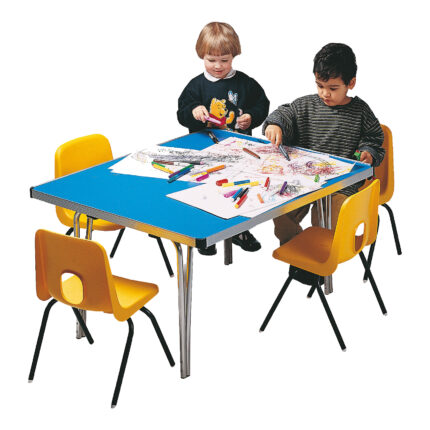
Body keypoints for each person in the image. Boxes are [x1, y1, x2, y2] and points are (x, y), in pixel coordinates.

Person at [263, 42, 385, 284]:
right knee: (279, 210)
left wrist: (369, 153)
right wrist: (275, 124)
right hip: (303, 182)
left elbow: (374, 140)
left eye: (333, 88)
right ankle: (300, 256)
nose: (325, 94)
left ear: (351, 83)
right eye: (319, 86)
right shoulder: (306, 105)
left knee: (326, 219)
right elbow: (284, 113)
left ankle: (319, 263)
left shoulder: (361, 111)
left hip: (341, 186)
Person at [177, 22, 270, 256]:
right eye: (211, 60)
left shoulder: (245, 83)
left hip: (240, 152)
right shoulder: (195, 86)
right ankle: (205, 235)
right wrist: (194, 112)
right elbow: (182, 113)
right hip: (205, 152)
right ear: (202, 56)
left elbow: (262, 105)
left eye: (224, 60)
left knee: (240, 191)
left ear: (234, 56)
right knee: (203, 193)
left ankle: (239, 230)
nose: (218, 66)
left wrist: (251, 117)